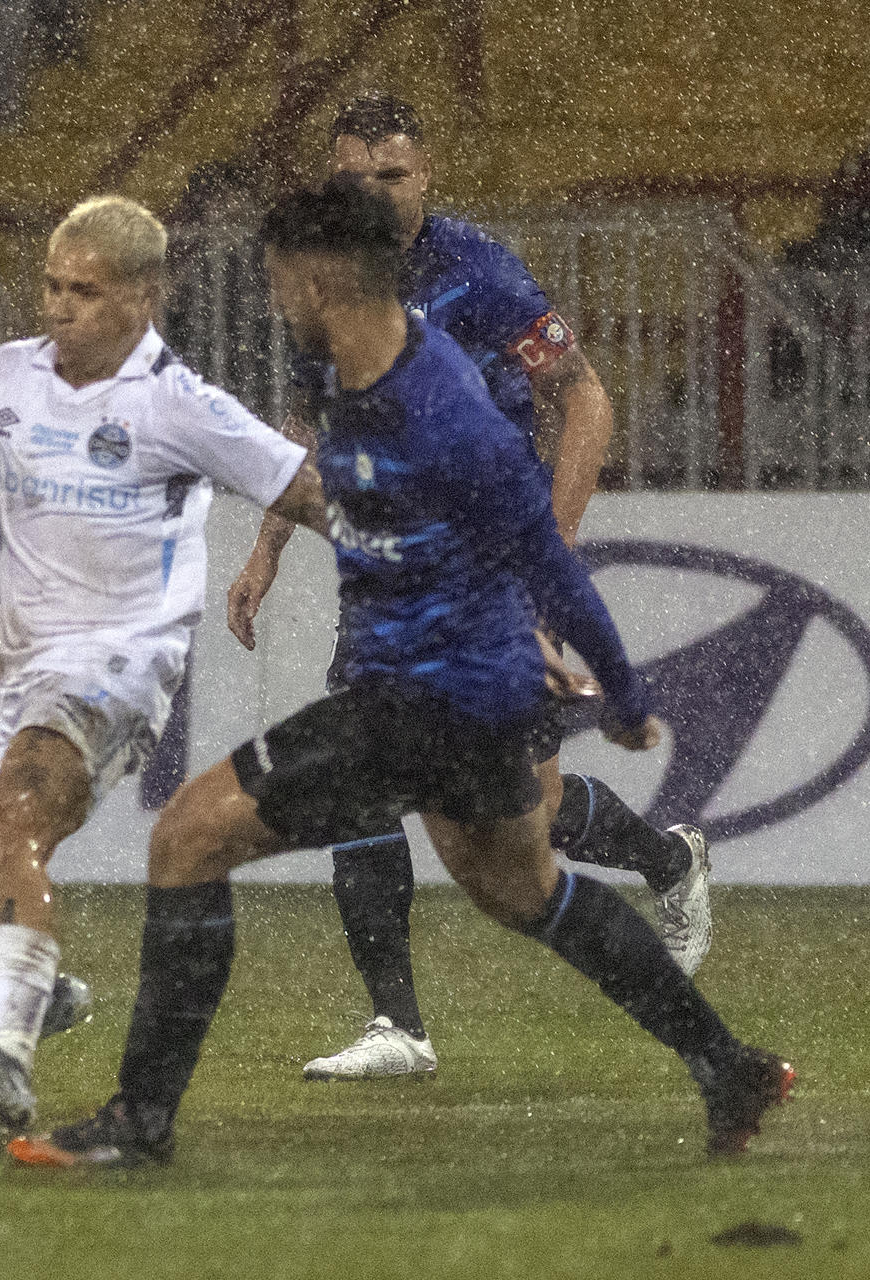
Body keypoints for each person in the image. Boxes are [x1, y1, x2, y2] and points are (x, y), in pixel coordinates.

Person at [11, 177, 792, 1168]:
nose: (273, 298)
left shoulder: (448, 415)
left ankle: (139, 1119)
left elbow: (547, 560)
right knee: (525, 891)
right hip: (461, 697)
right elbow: (346, 497)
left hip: (426, 706)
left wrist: (628, 699)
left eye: (276, 280)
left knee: (187, 837)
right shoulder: (345, 372)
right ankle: (732, 1065)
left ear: (317, 279)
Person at [0, 195, 326, 1131]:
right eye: (50, 284)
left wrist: (429, 562)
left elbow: (310, 490)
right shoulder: (8, 379)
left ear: (144, 297)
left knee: (14, 823)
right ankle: (43, 988)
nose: (58, 306)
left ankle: (9, 1058)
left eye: (85, 290)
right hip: (15, 675)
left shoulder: (180, 405)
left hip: (117, 669)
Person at [227, 90, 713, 1081]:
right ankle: (396, 1021)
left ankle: (666, 863)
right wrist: (267, 550)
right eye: (353, 179)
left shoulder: (480, 274)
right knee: (387, 773)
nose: (372, 194)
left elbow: (585, 399)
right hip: (386, 565)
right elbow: (319, 431)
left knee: (512, 814)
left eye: (391, 177)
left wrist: (554, 547)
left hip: (486, 563)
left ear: (430, 173)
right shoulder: (332, 288)